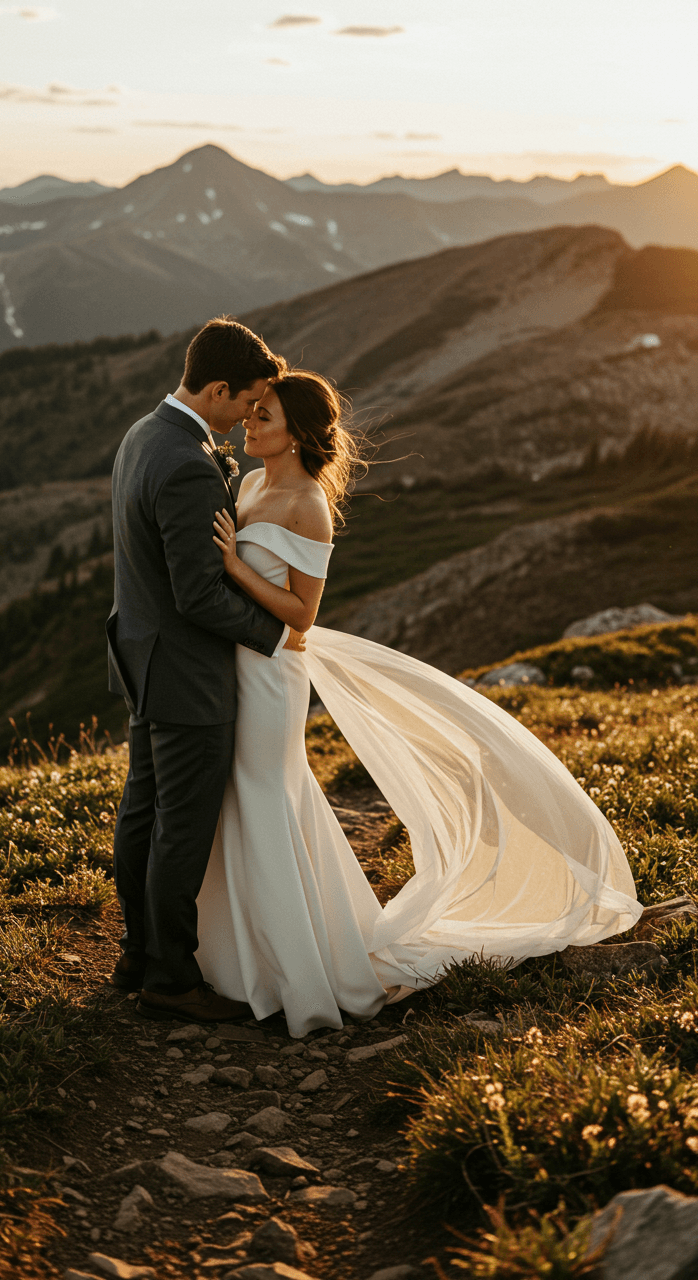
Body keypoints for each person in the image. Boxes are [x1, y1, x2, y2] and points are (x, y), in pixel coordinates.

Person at [195, 368, 642, 1038]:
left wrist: (235, 569)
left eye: (265, 416)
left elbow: (301, 617)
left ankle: (300, 975)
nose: (249, 422)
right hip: (233, 669)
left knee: (263, 796)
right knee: (245, 799)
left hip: (272, 676)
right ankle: (244, 961)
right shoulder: (252, 482)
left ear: (297, 436)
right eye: (252, 410)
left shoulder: (307, 505)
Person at [106, 316, 306, 1025]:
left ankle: (136, 954)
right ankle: (169, 975)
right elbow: (196, 595)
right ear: (217, 388)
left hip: (142, 657)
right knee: (180, 829)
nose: (249, 417)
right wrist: (275, 636)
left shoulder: (143, 434)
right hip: (188, 673)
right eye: (246, 402)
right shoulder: (190, 462)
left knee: (143, 813)